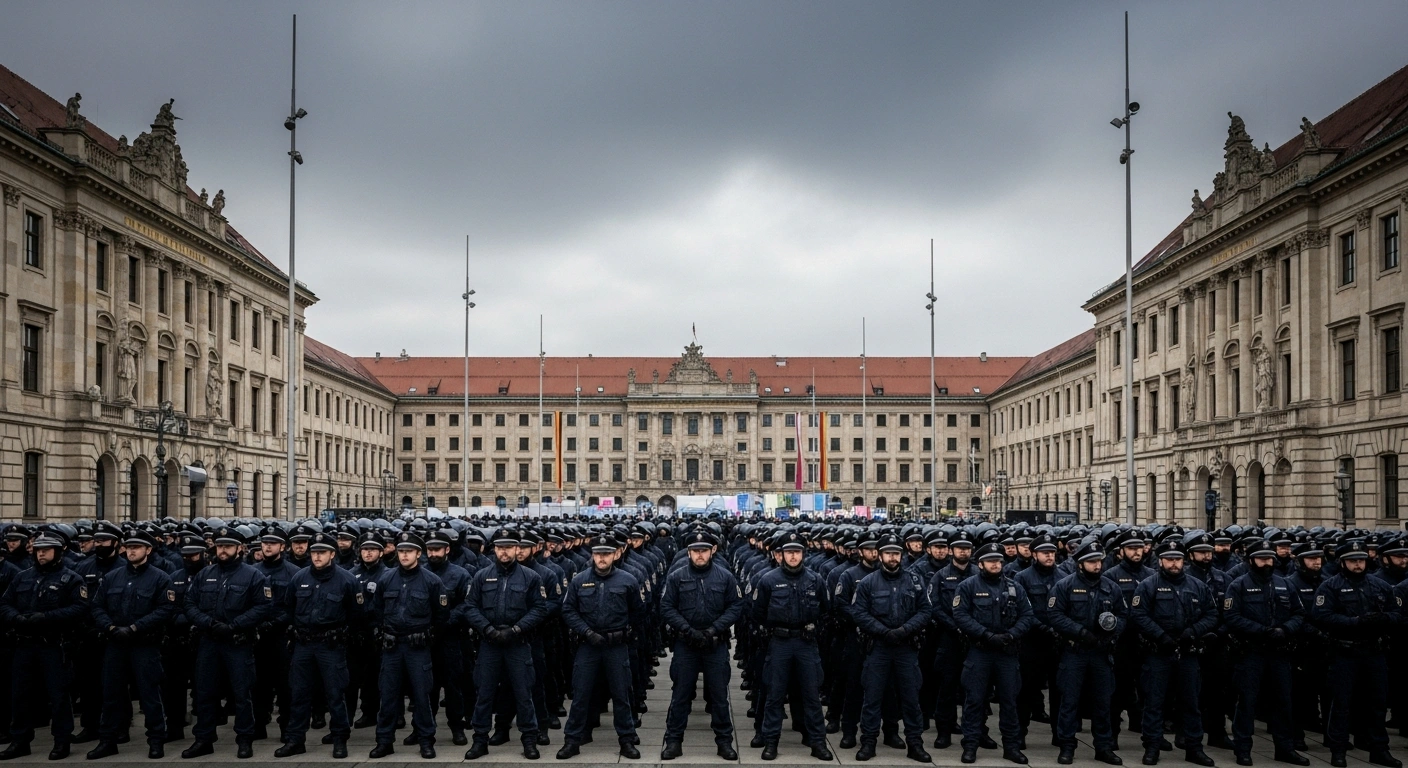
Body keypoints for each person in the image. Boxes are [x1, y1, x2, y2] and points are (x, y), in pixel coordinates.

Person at [182, 526, 272, 759]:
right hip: (209, 641)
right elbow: (189, 603)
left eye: (228, 547)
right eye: (220, 546)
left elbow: (262, 607)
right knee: (204, 692)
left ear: (239, 549)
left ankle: (244, 739)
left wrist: (235, 626)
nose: (222, 551)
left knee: (242, 693)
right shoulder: (205, 573)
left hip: (237, 642)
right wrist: (209, 623)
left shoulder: (253, 575)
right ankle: (204, 739)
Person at [1311, 539, 1401, 768]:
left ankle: (1379, 749)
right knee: (1341, 704)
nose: (1358, 564)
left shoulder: (1379, 585)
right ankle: (1338, 750)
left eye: (1361, 560)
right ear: (1343, 563)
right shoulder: (1330, 586)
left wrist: (1383, 618)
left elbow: (1397, 614)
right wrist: (1354, 622)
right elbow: (1322, 616)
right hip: (1345, 651)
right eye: (1353, 561)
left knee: (1377, 703)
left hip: (1374, 651)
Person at [87, 529, 176, 760]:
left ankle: (156, 740)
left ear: (148, 550)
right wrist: (110, 628)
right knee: (111, 694)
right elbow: (97, 606)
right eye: (129, 547)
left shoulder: (160, 577)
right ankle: (107, 740)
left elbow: (165, 609)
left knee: (150, 695)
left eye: (137, 547)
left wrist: (136, 628)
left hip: (144, 645)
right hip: (116, 643)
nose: (132, 550)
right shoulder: (112, 577)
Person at [276, 531, 365, 759]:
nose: (316, 557)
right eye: (314, 552)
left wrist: (342, 636)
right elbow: (289, 608)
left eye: (322, 553)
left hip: (331, 645)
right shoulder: (300, 578)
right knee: (299, 693)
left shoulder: (347, 580)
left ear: (332, 554)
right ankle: (296, 740)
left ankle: (339, 739)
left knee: (335, 695)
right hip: (303, 643)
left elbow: (356, 615)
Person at [462, 528, 548, 760]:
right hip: (490, 643)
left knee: (523, 693)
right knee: (485, 694)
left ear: (517, 549)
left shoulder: (531, 577)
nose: (504, 551)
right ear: (494, 550)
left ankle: (529, 739)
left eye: (509, 547)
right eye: (500, 547)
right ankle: (480, 740)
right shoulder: (482, 575)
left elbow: (539, 609)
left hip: (517, 643)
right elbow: (470, 606)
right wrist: (487, 629)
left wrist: (517, 629)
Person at [1129, 539, 1217, 767]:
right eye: (1169, 560)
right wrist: (1160, 636)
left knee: (1191, 702)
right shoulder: (1148, 585)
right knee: (1154, 702)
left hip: (1188, 653)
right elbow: (1138, 615)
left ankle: (1194, 748)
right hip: (1158, 652)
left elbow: (1212, 615)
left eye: (1177, 559)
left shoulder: (1197, 586)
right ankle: (1152, 747)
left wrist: (1193, 631)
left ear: (1184, 561)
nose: (1174, 564)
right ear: (1160, 561)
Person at [0, 529, 86, 760]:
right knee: (21, 695)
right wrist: (15, 617)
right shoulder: (23, 576)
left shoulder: (71, 578)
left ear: (58, 552)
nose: (41, 555)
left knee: (58, 696)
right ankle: (20, 740)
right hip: (25, 644)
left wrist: (48, 618)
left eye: (46, 550)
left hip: (53, 645)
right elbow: (5, 602)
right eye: (38, 550)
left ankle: (61, 741)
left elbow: (79, 608)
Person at [1220, 539, 1307, 766]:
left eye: (1270, 558)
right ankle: (1243, 748)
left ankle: (1285, 748)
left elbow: (1299, 613)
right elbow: (1232, 617)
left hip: (1279, 653)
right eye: (1262, 559)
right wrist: (1262, 631)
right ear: (1251, 561)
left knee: (1283, 702)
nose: (1267, 563)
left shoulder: (1285, 584)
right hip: (1251, 652)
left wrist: (1285, 629)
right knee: (1247, 702)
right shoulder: (1238, 585)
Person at [658, 530, 744, 761]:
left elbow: (735, 607)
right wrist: (687, 629)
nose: (699, 555)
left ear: (712, 551)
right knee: (680, 695)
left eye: (703, 550)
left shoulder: (725, 577)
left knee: (718, 696)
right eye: (695, 551)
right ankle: (674, 741)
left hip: (715, 644)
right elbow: (666, 607)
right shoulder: (677, 576)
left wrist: (714, 629)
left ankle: (724, 742)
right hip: (686, 644)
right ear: (688, 552)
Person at [556, 535, 644, 760]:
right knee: (581, 693)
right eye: (597, 554)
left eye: (606, 554)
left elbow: (638, 612)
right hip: (589, 645)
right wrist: (586, 632)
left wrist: (626, 634)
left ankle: (626, 740)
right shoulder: (579, 580)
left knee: (621, 694)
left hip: (616, 646)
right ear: (592, 555)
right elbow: (568, 611)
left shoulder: (627, 580)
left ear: (615, 554)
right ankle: (572, 740)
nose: (601, 558)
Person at [751, 531, 834, 762]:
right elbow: (757, 612)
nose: (793, 556)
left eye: (797, 552)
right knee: (775, 695)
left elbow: (825, 610)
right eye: (789, 552)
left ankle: (818, 743)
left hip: (806, 643)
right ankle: (770, 742)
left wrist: (814, 630)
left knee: (811, 695)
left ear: (803, 554)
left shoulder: (815, 580)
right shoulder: (768, 580)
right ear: (781, 555)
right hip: (780, 643)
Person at [850, 534, 932, 763]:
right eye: (888, 553)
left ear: (901, 555)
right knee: (872, 697)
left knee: (910, 698)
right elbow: (859, 613)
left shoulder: (915, 580)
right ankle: (868, 742)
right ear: (880, 555)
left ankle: (915, 744)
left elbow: (925, 611)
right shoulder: (868, 582)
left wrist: (905, 630)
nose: (893, 557)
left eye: (896, 553)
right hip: (879, 647)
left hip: (906, 647)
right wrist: (883, 631)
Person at [952, 541, 1035, 765]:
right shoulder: (968, 586)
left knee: (1009, 701)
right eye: (991, 561)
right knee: (975, 701)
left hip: (1007, 652)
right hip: (980, 652)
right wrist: (985, 635)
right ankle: (970, 745)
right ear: (980, 564)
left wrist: (1011, 635)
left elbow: (1027, 615)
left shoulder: (1014, 586)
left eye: (998, 561)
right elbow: (960, 615)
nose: (996, 565)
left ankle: (1011, 747)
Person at [1046, 539, 1124, 766]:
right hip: (1075, 652)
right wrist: (1080, 633)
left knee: (1103, 702)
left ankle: (1103, 747)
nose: (1097, 566)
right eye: (1091, 562)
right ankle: (1067, 746)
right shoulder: (1065, 586)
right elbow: (1055, 615)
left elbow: (1124, 615)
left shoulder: (1111, 587)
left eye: (1099, 561)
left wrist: (1111, 633)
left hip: (1101, 653)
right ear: (1080, 564)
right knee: (1069, 701)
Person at [369, 532, 447, 759]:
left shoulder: (432, 581)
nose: (404, 555)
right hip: (392, 646)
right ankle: (384, 741)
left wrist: (428, 636)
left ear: (418, 554)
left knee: (422, 697)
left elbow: (441, 616)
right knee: (389, 695)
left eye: (409, 551)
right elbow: (377, 611)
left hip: (418, 647)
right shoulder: (386, 578)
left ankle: (426, 741)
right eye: (401, 551)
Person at [1012, 533, 1061, 748]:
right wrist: (1043, 628)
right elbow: (1022, 610)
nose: (1049, 556)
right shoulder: (1022, 577)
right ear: (1034, 554)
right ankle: (1020, 732)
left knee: (1059, 691)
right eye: (1045, 553)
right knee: (1026, 689)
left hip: (1059, 641)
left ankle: (1059, 733)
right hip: (1031, 641)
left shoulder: (1064, 576)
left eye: (1052, 552)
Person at [424, 530, 471, 746]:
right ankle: (424, 728)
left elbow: (467, 604)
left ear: (447, 550)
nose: (433, 554)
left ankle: (456, 727)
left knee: (453, 686)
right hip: (426, 639)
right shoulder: (420, 572)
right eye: (430, 550)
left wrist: (447, 621)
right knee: (426, 687)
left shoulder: (460, 574)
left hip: (452, 639)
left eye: (437, 549)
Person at [347, 532, 389, 730]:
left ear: (381, 552)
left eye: (372, 549)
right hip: (355, 633)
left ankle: (374, 712)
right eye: (365, 549)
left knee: (376, 677)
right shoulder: (351, 573)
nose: (368, 553)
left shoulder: (387, 574)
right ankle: (352, 715)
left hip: (377, 633)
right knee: (352, 678)